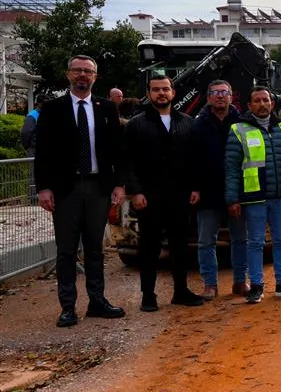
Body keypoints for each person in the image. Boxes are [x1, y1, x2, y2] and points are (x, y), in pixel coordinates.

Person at [34, 55, 126, 328]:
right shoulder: (52, 109)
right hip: (66, 189)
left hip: (98, 187)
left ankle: (97, 301)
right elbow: (44, 152)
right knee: (66, 250)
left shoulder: (106, 108)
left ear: (95, 77)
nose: (82, 75)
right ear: (68, 75)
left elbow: (116, 150)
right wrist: (43, 188)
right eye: (77, 71)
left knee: (95, 248)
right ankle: (68, 306)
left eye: (88, 71)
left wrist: (119, 184)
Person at [125, 76, 204, 311]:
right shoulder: (136, 124)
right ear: (148, 94)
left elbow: (194, 160)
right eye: (156, 89)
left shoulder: (187, 122)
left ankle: (181, 291)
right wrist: (135, 192)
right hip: (149, 197)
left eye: (165, 89)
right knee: (149, 247)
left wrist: (195, 187)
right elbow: (128, 161)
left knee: (180, 246)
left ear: (173, 93)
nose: (161, 93)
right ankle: (148, 295)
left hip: (180, 196)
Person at [225, 87, 281, 303]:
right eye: (257, 101)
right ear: (249, 106)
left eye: (265, 100)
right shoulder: (238, 130)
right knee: (255, 242)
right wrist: (232, 198)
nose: (262, 104)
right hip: (254, 197)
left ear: (272, 103)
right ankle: (257, 285)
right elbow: (231, 167)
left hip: (280, 196)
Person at [192, 80, 248, 299]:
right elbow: (192, 159)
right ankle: (210, 284)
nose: (220, 96)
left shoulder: (242, 122)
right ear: (208, 98)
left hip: (237, 192)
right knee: (206, 240)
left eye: (224, 92)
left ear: (231, 96)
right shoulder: (197, 125)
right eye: (215, 92)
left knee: (240, 238)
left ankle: (240, 282)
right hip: (208, 192)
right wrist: (195, 187)